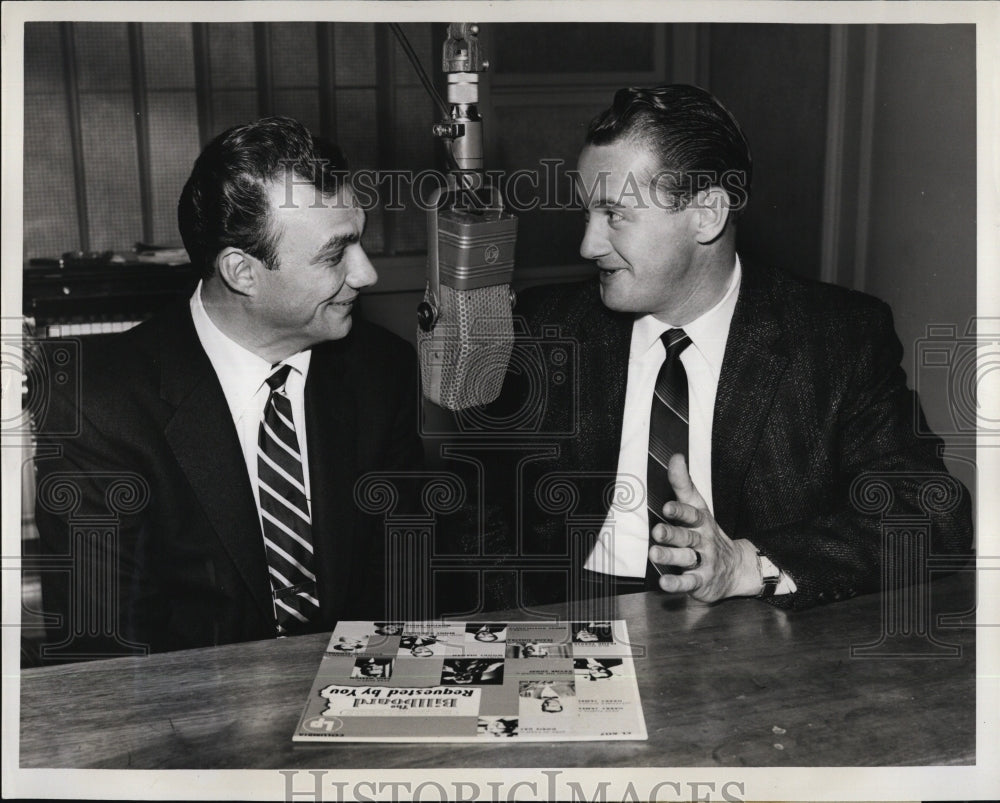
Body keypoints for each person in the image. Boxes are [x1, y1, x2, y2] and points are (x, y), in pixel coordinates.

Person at [456, 84, 973, 610]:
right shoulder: (544, 327)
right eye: (586, 214)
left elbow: (928, 513)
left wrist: (747, 565)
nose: (587, 245)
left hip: (746, 628)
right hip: (569, 617)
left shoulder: (839, 338)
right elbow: (479, 513)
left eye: (614, 215)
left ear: (707, 214)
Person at [33, 117, 424, 660]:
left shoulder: (383, 370)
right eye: (336, 254)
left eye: (360, 241)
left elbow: (404, 592)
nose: (366, 274)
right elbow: (102, 650)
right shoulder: (98, 403)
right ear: (242, 272)